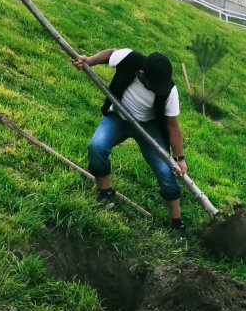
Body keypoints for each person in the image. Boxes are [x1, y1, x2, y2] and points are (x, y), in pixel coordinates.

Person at [71, 48, 188, 237]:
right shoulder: (130, 59)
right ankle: (105, 192)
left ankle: (177, 224)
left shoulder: (169, 90)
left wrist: (180, 158)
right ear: (142, 74)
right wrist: (90, 60)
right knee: (97, 147)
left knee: (166, 171)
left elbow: (173, 126)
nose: (159, 88)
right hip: (119, 117)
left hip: (149, 128)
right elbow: (110, 54)